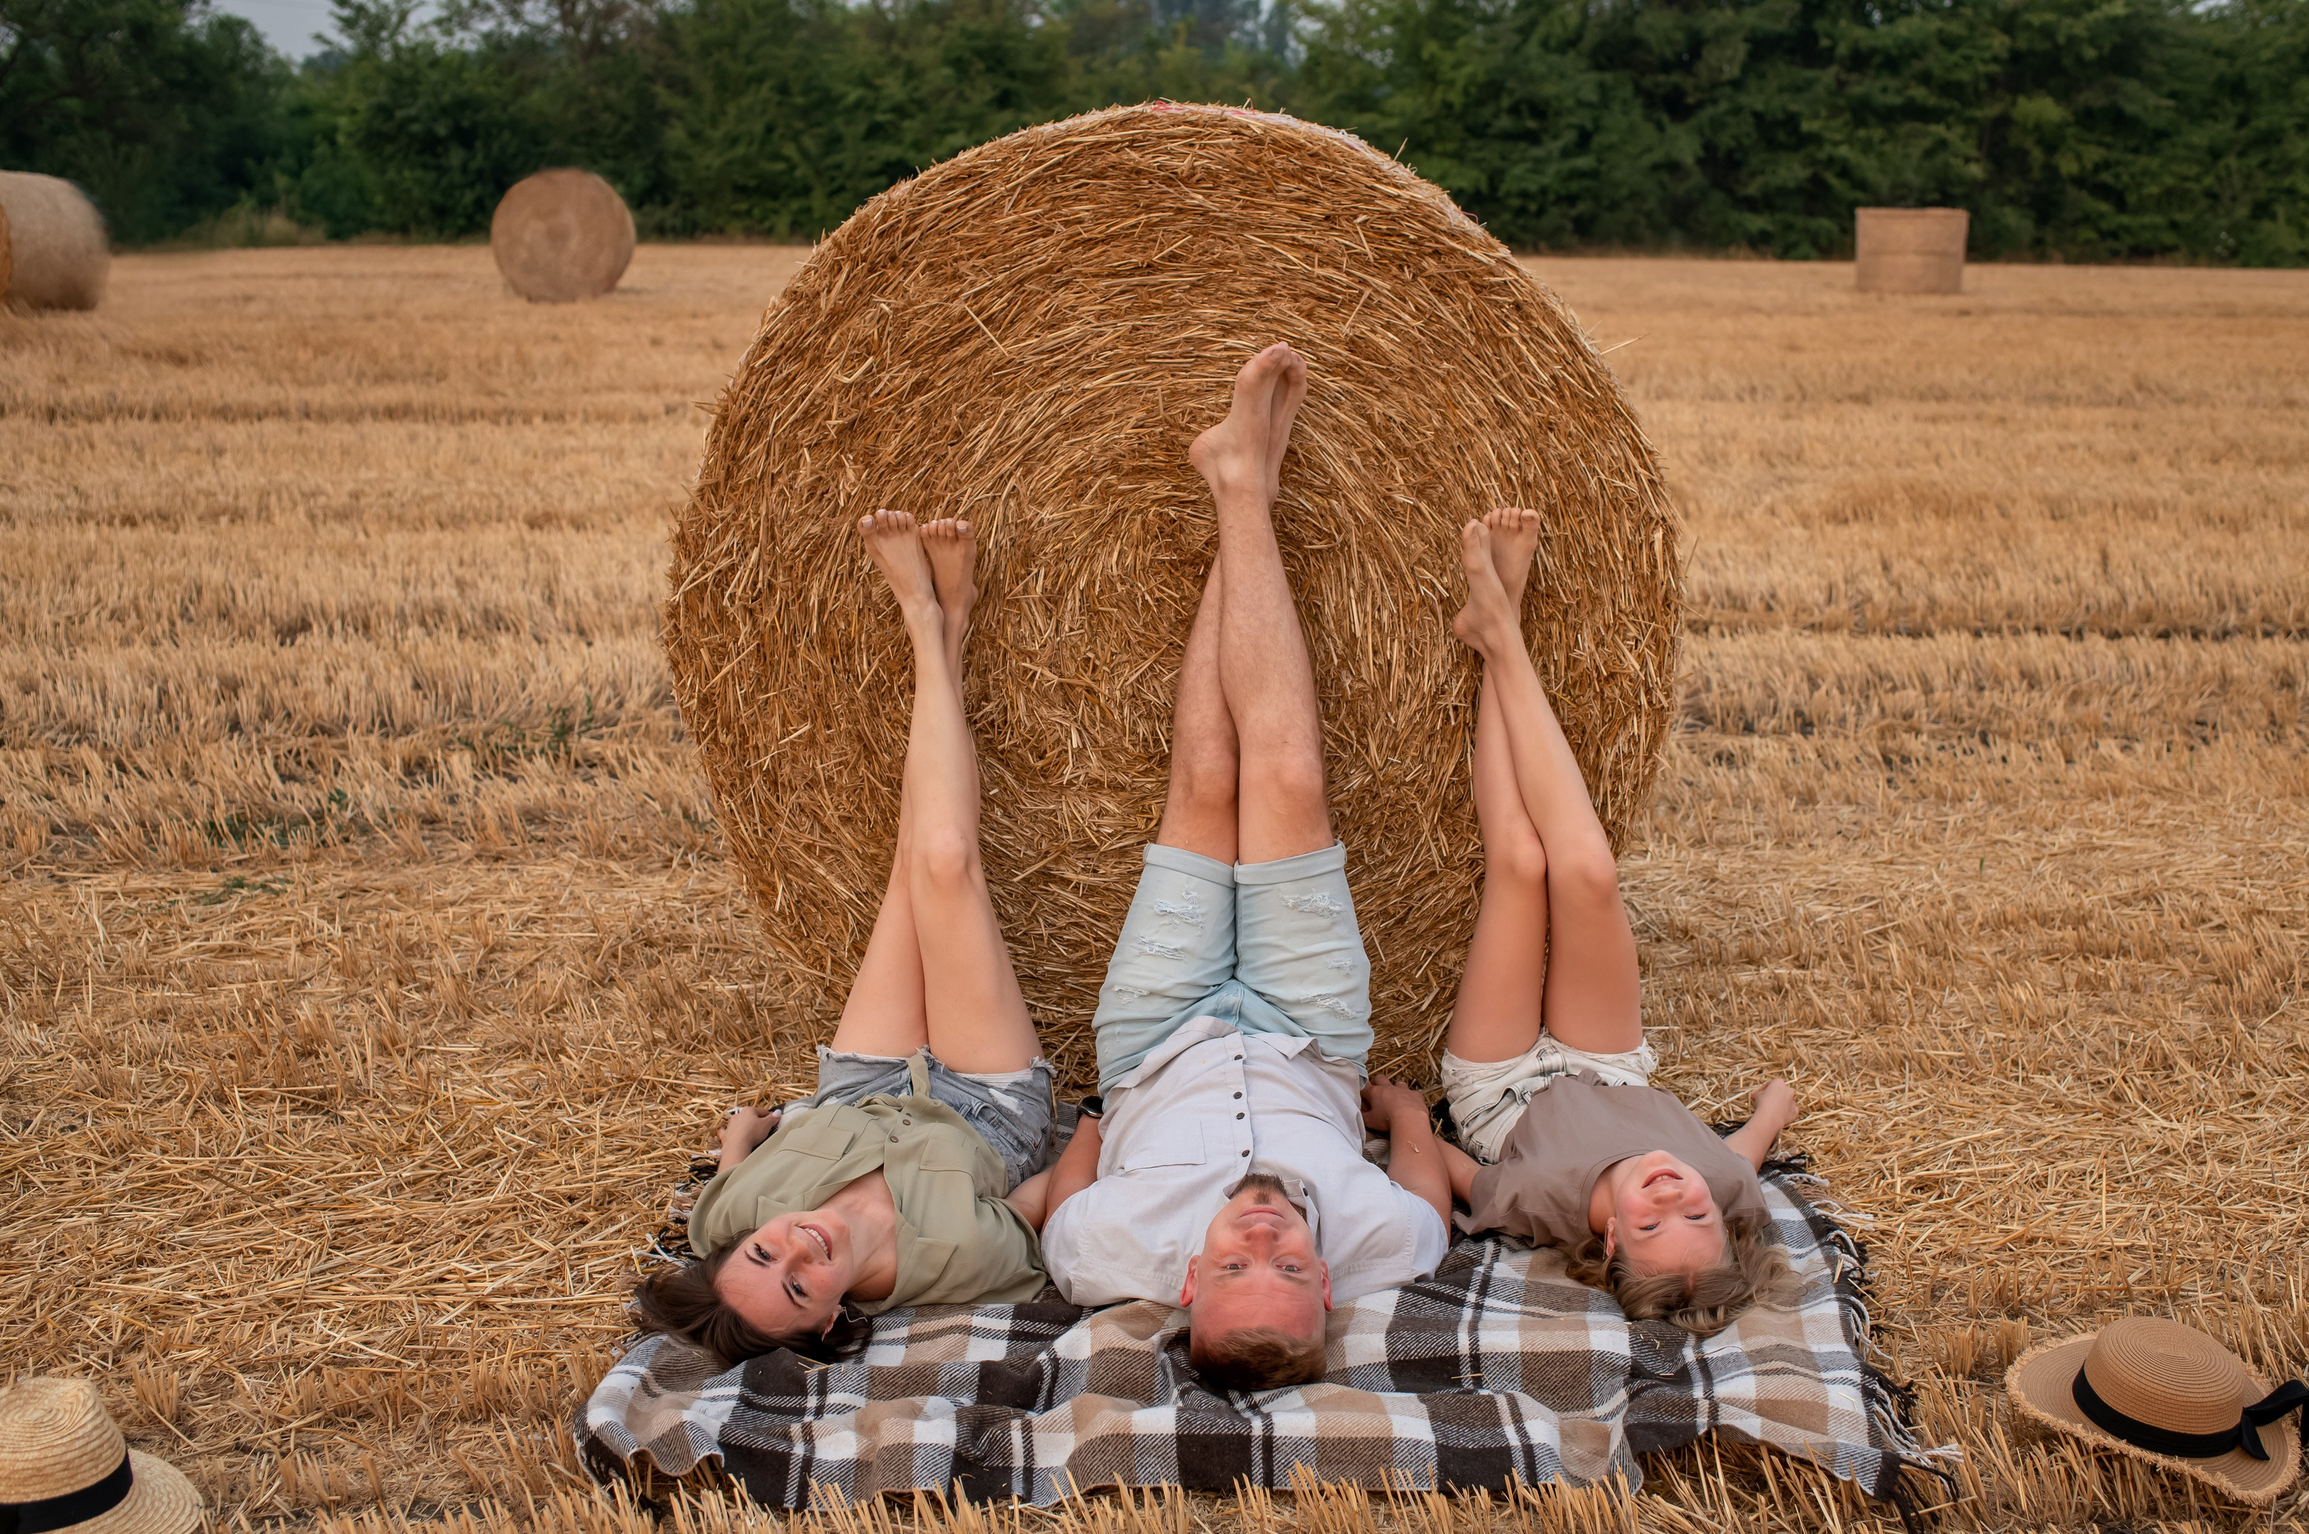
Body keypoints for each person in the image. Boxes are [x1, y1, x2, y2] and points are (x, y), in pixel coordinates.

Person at [1021, 344, 1455, 1392]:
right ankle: (1241, 483)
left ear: (1182, 1283)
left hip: (1157, 1036)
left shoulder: (1095, 1257)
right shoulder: (1392, 1250)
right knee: (1293, 779)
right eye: (1292, 1262)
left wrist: (1097, 1113)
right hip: (1308, 1031)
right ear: (1331, 1292)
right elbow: (1426, 1196)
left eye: (1233, 1262)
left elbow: (1071, 1188)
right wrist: (1400, 1117)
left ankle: (1242, 482)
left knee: (1208, 775)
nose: (1264, 1233)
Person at [633, 511, 1057, 1365]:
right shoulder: (958, 1265)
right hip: (987, 1109)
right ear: (829, 1322)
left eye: (764, 1252)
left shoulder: (728, 1216)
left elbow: (721, 1189)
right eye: (797, 1284)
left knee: (913, 864)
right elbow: (1043, 1207)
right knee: (945, 862)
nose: (797, 1246)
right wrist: (1095, 1132)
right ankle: (933, 626)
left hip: (855, 1085)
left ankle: (948, 633)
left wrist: (739, 1138)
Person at [1396, 506, 1801, 1335]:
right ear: (1724, 1221)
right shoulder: (1727, 1186)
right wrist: (1773, 1109)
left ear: (1610, 1234)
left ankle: (1500, 622)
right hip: (1609, 1063)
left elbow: (1458, 1174)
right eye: (1696, 1219)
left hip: (1503, 1089)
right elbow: (1743, 1157)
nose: (1671, 1199)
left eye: (1650, 1227)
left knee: (1519, 863)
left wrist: (1396, 1115)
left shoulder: (1536, 1204)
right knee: (1586, 869)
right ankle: (1499, 627)